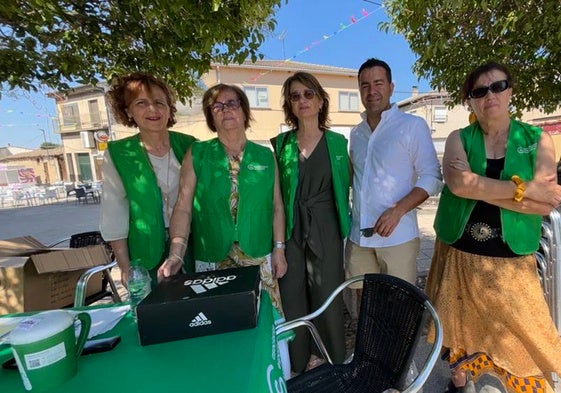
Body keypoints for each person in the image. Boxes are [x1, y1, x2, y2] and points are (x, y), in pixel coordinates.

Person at [425, 62, 561, 393]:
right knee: (457, 335)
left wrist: (478, 187)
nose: (490, 95)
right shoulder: (459, 138)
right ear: (470, 100)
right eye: (479, 91)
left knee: (525, 340)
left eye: (498, 86)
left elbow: (549, 201)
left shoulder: (538, 139)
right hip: (459, 254)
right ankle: (460, 383)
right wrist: (523, 189)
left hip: (512, 261)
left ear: (511, 91)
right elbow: (458, 184)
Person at [159, 83, 287, 313]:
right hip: (213, 254)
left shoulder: (265, 155)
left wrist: (279, 249)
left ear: (244, 111)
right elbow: (183, 207)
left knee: (267, 316)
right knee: (219, 317)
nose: (225, 109)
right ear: (211, 117)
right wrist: (175, 253)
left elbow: (277, 206)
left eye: (232, 103)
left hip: (257, 251)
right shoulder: (198, 153)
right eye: (217, 106)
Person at [271, 71, 351, 374]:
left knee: (327, 293)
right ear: (290, 105)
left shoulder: (338, 143)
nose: (302, 100)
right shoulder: (280, 144)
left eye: (308, 94)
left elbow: (349, 184)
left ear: (320, 100)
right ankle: (296, 359)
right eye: (295, 96)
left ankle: (328, 358)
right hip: (290, 229)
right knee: (291, 294)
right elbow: (275, 196)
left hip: (327, 227)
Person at [345, 58, 442, 304]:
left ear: (390, 86)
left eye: (378, 83)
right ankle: (370, 345)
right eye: (365, 85)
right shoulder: (356, 134)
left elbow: (432, 176)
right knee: (365, 307)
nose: (371, 91)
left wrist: (398, 211)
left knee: (400, 309)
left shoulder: (412, 126)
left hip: (397, 238)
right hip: (359, 239)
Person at [100, 72, 196, 287]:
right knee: (155, 314)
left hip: (193, 245)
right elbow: (114, 212)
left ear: (169, 109)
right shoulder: (119, 153)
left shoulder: (191, 145)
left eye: (159, 102)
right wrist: (125, 267)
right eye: (141, 103)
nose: (152, 110)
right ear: (128, 111)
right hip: (144, 253)